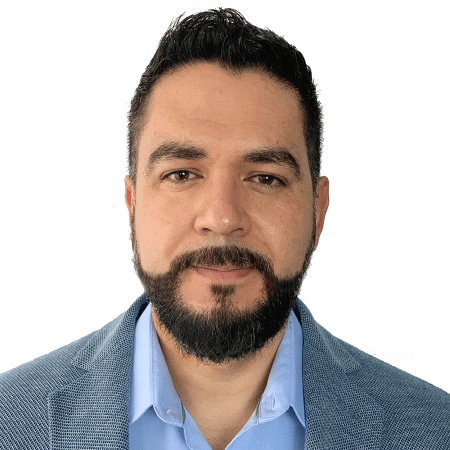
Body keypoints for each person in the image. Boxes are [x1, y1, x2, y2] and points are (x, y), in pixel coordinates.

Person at [1, 7, 449, 450]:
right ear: (132, 204)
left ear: (318, 210)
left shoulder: (435, 430)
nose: (222, 217)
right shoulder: (10, 420)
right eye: (181, 174)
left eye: (266, 178)